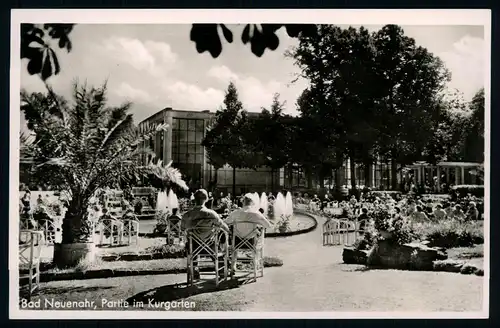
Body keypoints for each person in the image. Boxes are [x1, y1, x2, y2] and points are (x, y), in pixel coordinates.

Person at [181, 189, 229, 280]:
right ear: (206, 199)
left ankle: (194, 271)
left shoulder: (187, 215)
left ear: (194, 199)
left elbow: (182, 229)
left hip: (194, 247)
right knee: (216, 242)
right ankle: (222, 271)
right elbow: (225, 227)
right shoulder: (212, 214)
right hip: (210, 246)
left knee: (192, 243)